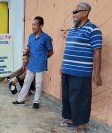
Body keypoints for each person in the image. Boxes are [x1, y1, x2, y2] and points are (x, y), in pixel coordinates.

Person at [60, 2, 102, 133]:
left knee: (81, 99)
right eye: (73, 12)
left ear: (85, 12)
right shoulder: (72, 29)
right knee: (68, 97)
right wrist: (62, 65)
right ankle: (72, 119)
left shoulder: (94, 29)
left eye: (76, 12)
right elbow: (68, 49)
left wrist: (96, 74)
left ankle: (82, 125)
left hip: (81, 72)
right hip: (67, 69)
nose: (73, 14)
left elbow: (97, 52)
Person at [12, 16, 53, 109]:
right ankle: (20, 100)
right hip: (31, 64)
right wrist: (26, 51)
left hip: (40, 65)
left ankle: (36, 102)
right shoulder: (31, 36)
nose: (33, 27)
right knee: (26, 82)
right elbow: (28, 47)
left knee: (38, 84)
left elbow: (50, 51)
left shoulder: (46, 38)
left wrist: (43, 58)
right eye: (32, 25)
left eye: (35, 25)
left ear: (41, 26)